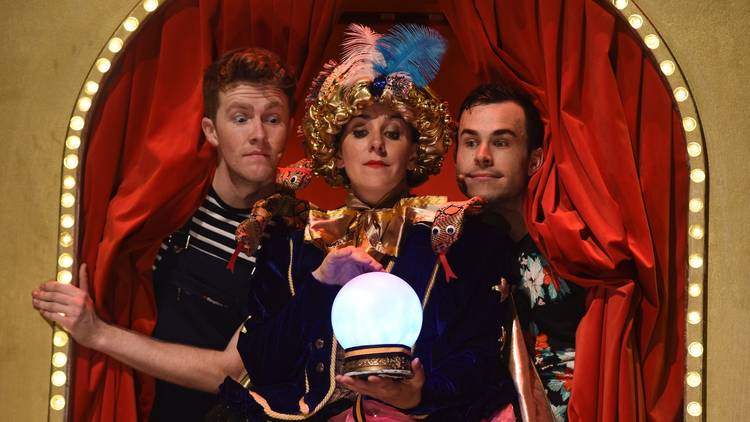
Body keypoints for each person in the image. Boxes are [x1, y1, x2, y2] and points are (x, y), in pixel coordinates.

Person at [211, 24, 518, 422]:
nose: (376, 144)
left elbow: (478, 356)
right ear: (337, 153)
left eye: (392, 132)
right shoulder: (290, 241)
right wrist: (319, 283)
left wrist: (417, 395)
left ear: (414, 152)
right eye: (359, 132)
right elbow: (263, 362)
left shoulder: (457, 236)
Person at [31, 47, 299, 420]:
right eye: (240, 118)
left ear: (289, 128)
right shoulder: (165, 203)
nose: (258, 134)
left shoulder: (294, 241)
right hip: (130, 404)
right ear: (211, 131)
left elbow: (231, 371)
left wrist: (98, 334)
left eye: (272, 119)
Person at [454, 83, 587, 422]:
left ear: (534, 160)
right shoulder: (445, 250)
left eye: (500, 142)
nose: (482, 155)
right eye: (470, 142)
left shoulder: (576, 244)